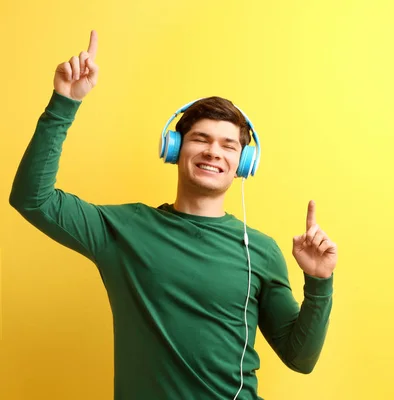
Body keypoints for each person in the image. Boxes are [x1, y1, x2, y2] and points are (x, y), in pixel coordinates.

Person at [9, 30, 337, 400]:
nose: (214, 151)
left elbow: (300, 358)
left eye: (228, 146)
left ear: (243, 163)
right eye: (200, 139)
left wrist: (318, 282)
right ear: (175, 148)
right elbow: (32, 199)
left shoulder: (259, 250)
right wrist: (64, 103)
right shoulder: (123, 230)